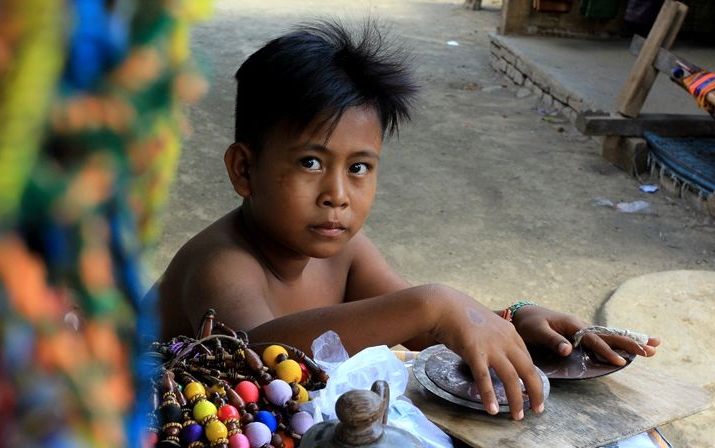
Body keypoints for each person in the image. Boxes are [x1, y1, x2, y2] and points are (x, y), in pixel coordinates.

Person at [154, 20, 659, 420]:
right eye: (311, 163)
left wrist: (513, 319)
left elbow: (422, 329)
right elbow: (253, 357)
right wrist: (432, 304)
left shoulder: (345, 252)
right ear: (245, 169)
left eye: (358, 168)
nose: (337, 195)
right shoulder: (220, 264)